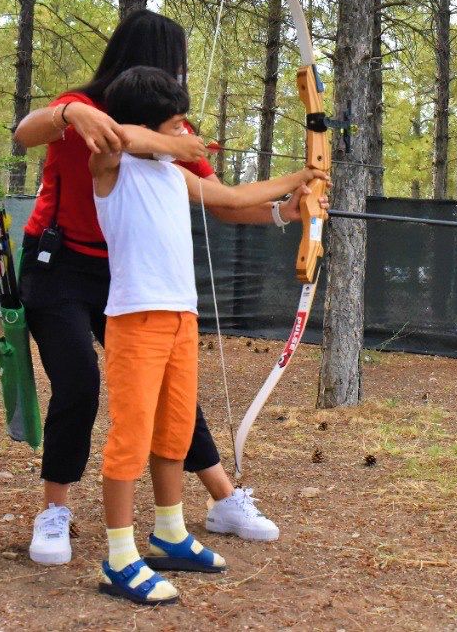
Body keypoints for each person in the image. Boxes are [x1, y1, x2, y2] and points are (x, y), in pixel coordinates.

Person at [14, 10, 307, 565]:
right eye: (175, 62)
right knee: (77, 379)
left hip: (133, 276)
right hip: (63, 264)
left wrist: (282, 210)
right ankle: (55, 512)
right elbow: (25, 133)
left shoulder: (177, 135)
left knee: (169, 388)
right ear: (149, 61)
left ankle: (222, 500)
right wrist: (70, 113)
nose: (181, 72)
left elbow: (217, 199)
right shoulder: (85, 112)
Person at [88, 66, 326, 604]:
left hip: (181, 319)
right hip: (136, 319)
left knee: (174, 430)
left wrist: (301, 181)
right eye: (178, 124)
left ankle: (169, 531)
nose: (188, 133)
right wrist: (178, 141)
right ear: (150, 125)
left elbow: (238, 196)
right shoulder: (111, 163)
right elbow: (120, 133)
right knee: (131, 436)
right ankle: (119, 556)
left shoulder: (176, 175)